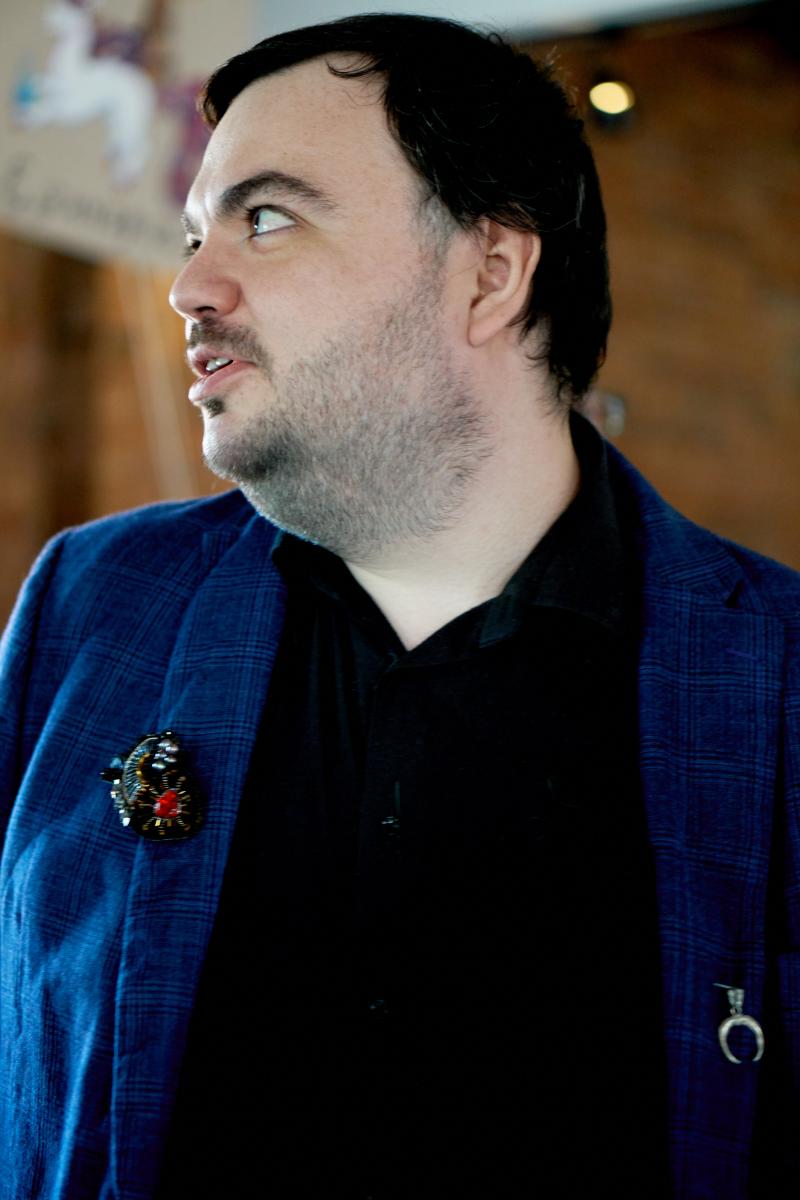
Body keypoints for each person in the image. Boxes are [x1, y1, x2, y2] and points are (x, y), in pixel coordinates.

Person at [0, 12, 798, 1199]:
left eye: (267, 219)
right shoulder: (93, 605)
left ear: (489, 273)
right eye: (193, 232)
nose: (189, 287)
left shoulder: (774, 678)